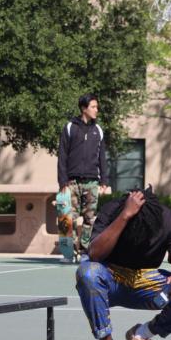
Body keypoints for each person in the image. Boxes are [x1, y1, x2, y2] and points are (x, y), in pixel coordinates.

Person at [75, 186, 171, 340]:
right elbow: (95, 254)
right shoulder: (112, 211)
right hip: (111, 279)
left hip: (146, 282)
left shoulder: (170, 221)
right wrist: (124, 217)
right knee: (88, 272)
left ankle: (141, 336)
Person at [57, 94, 109, 261]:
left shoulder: (98, 130)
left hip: (92, 181)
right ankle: (70, 251)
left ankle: (85, 251)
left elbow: (102, 157)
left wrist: (104, 181)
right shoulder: (70, 127)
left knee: (90, 219)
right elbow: (62, 156)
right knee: (68, 218)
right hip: (71, 182)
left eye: (96, 107)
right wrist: (62, 181)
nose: (96, 110)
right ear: (84, 108)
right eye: (93, 107)